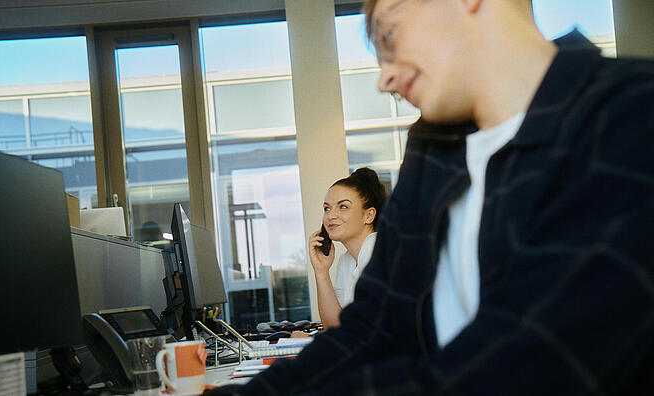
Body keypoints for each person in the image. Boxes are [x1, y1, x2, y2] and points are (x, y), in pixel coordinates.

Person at [238, 0, 654, 394]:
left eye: (388, 37)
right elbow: (370, 330)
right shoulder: (433, 155)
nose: (384, 79)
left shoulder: (629, 113)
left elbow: (525, 363)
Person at [308, 167, 387, 329]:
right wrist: (321, 271)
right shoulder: (347, 260)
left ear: (369, 215)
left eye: (343, 207)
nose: (331, 215)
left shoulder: (378, 252)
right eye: (327, 208)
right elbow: (336, 327)